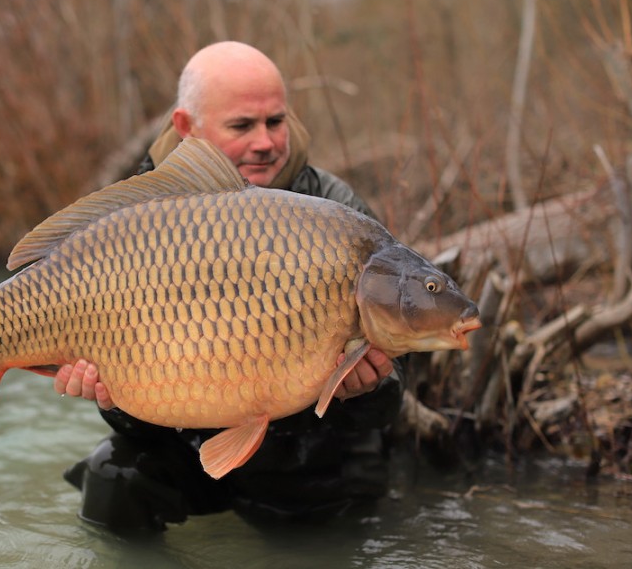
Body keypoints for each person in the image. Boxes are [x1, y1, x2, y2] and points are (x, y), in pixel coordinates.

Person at [54, 41, 404, 533]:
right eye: (242, 125)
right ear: (186, 128)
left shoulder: (334, 212)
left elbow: (390, 401)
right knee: (112, 478)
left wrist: (365, 389)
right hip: (186, 443)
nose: (265, 141)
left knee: (319, 538)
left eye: (276, 121)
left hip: (307, 457)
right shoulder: (137, 217)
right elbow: (140, 409)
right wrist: (108, 396)